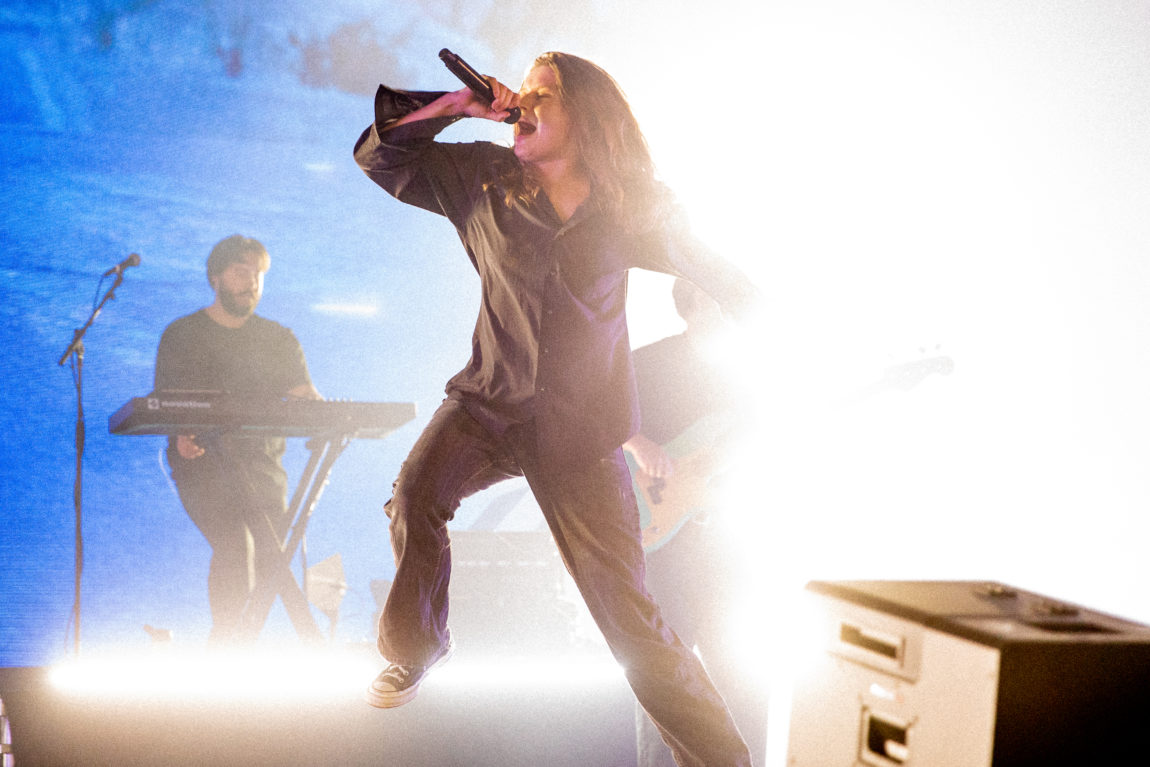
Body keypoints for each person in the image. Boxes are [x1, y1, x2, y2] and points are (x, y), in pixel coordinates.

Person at [353, 52, 759, 766]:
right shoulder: (481, 179)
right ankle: (418, 646)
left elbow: (713, 269)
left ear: (586, 116)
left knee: (632, 625)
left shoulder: (630, 204)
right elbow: (380, 154)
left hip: (580, 434)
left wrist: (763, 313)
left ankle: (723, 759)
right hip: (487, 404)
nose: (525, 100)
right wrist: (459, 106)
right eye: (524, 90)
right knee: (416, 494)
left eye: (546, 91)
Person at [626, 279, 768, 767]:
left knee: (743, 672)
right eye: (711, 297)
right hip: (660, 542)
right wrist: (641, 446)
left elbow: (761, 437)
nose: (724, 307)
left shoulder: (744, 374)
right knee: (662, 672)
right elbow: (599, 417)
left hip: (722, 539)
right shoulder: (647, 361)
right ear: (687, 306)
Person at [154, 235, 320, 643]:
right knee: (234, 546)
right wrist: (182, 435)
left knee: (271, 559)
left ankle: (243, 645)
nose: (252, 283)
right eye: (242, 272)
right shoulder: (183, 334)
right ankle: (226, 643)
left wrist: (327, 417)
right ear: (216, 277)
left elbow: (306, 399)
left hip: (263, 465)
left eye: (259, 274)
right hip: (204, 465)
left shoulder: (279, 339)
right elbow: (166, 403)